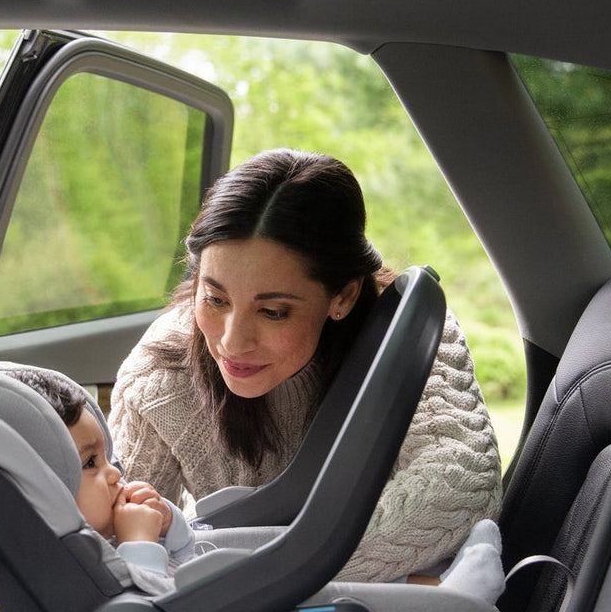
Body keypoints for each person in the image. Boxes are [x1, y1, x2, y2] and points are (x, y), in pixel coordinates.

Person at [109, 148, 503, 584]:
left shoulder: (407, 340)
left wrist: (246, 579)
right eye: (215, 299)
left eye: (273, 311)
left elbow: (460, 485)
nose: (232, 341)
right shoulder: (158, 378)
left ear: (343, 296)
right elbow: (118, 541)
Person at [5, 365, 505, 603]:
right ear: (40, 489)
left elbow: (188, 557)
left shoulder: (101, 536)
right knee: (313, 602)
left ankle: (436, 588)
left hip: (207, 603)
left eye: (106, 457)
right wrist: (139, 544)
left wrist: (168, 526)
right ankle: (453, 608)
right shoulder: (65, 565)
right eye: (90, 465)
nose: (114, 471)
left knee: (304, 581)